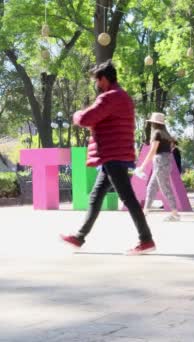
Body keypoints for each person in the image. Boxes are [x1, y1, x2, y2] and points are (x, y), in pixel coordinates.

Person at [60, 60, 155, 255]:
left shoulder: (110, 98)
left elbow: (86, 119)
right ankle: (79, 237)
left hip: (112, 154)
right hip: (114, 154)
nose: (96, 84)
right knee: (96, 196)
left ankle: (146, 239)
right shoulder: (124, 97)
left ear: (103, 79)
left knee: (127, 198)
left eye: (97, 80)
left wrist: (77, 113)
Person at [136, 113, 180, 222]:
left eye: (151, 123)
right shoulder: (165, 134)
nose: (150, 125)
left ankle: (175, 214)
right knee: (152, 186)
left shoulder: (156, 133)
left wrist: (142, 166)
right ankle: (145, 211)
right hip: (165, 161)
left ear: (154, 123)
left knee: (165, 187)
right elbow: (169, 149)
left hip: (160, 161)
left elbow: (153, 151)